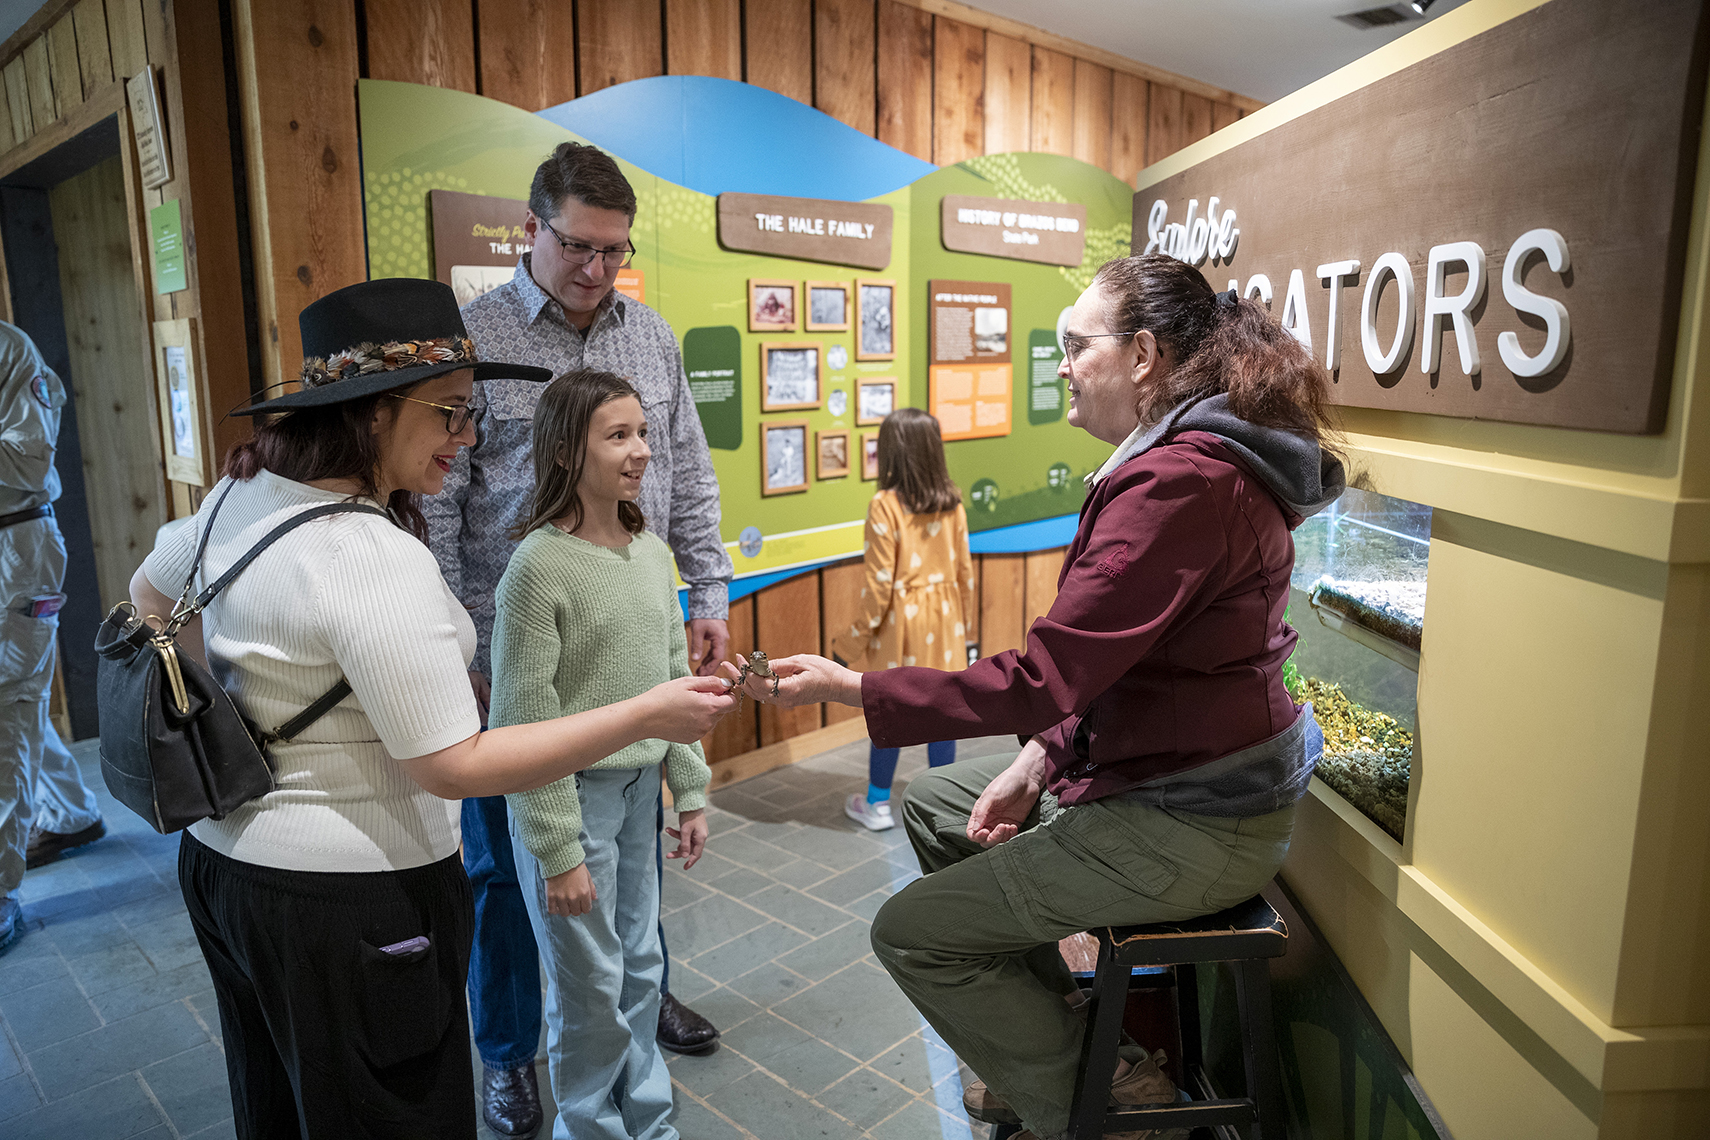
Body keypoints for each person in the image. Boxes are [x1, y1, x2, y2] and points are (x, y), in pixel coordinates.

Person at [738, 254, 1345, 1140]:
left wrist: (854, 687)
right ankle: (1082, 1044)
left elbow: (1044, 675)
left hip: (1197, 817)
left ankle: (1107, 1108)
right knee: (941, 803)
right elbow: (1121, 669)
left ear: (1142, 356)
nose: (1060, 364)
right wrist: (1043, 755)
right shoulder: (1181, 460)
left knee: (911, 932)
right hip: (1175, 778)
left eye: (1074, 345)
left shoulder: (1183, 482)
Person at [129, 279, 734, 1138]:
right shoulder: (370, 552)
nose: (469, 436)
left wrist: (243, 725)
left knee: (280, 1102)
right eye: (450, 413)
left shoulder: (239, 496)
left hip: (226, 866)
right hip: (351, 901)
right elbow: (454, 764)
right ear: (373, 413)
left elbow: (147, 597)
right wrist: (644, 716)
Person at [425, 140, 732, 1135]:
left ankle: (625, 1009)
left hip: (629, 635)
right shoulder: (474, 338)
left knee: (629, 856)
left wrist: (709, 590)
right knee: (512, 871)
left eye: (616, 251)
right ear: (530, 231)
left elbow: (685, 469)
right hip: (506, 649)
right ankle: (513, 1054)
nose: (598, 271)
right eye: (578, 248)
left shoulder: (650, 337)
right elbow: (437, 499)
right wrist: (457, 648)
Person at [493, 370, 713, 1140]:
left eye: (643, 433)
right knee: (588, 986)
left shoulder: (650, 553)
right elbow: (525, 721)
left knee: (642, 971)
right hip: (570, 800)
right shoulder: (536, 568)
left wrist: (688, 791)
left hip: (638, 794)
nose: (642, 452)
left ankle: (650, 1125)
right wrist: (556, 851)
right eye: (618, 435)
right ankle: (589, 1128)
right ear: (562, 450)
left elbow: (672, 678)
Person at [0, 321, 105, 954]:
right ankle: (71, 813)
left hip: (13, 545)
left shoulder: (10, 349)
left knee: (7, 707)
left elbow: (28, 456)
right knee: (15, 699)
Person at [831, 407, 974, 832]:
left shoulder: (884, 505)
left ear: (892, 453)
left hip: (900, 631)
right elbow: (965, 574)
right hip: (947, 625)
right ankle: (944, 805)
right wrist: (964, 633)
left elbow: (877, 590)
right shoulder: (953, 501)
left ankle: (877, 804)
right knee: (942, 714)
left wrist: (847, 646)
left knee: (889, 713)